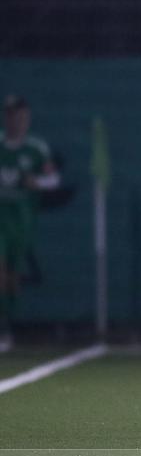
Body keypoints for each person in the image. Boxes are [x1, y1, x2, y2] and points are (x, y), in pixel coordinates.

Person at [0, 95, 60, 352]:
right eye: (11, 115)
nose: (16, 120)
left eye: (21, 115)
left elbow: (53, 180)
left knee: (11, 275)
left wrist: (36, 182)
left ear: (27, 118)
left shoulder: (36, 148)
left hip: (21, 219)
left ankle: (7, 325)